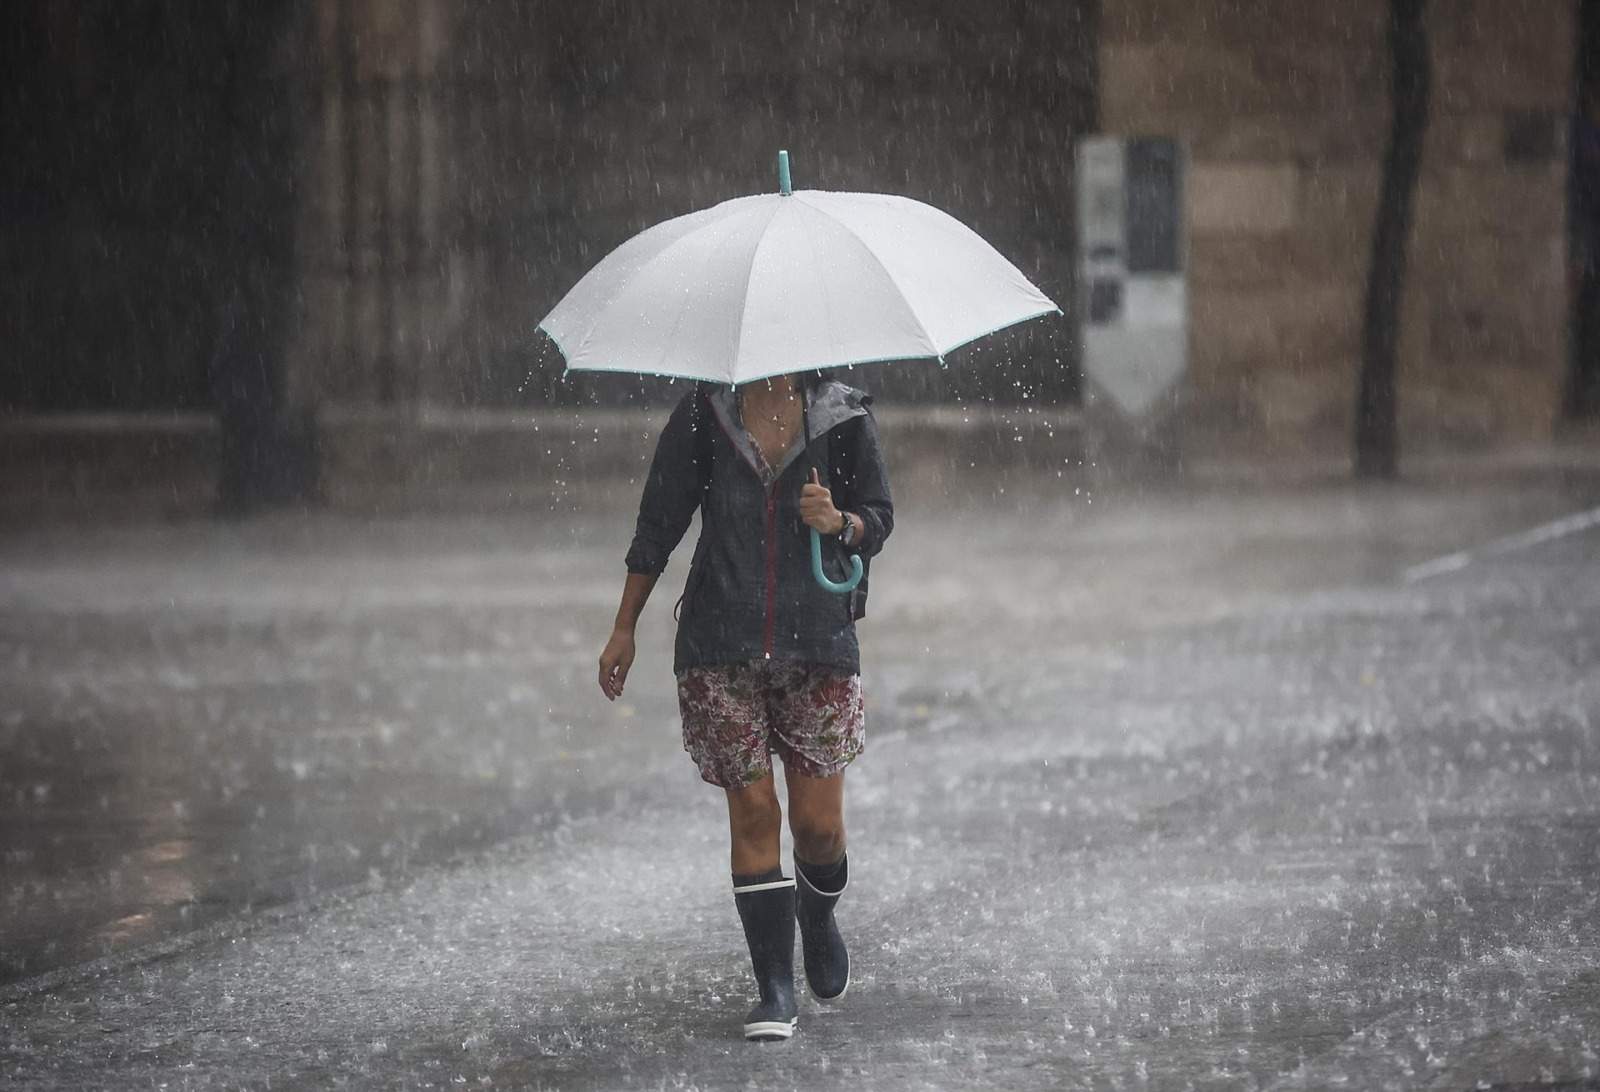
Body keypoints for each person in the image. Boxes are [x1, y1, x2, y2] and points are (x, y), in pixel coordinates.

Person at [597, 370, 893, 1041]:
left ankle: (815, 921)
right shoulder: (705, 415)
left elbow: (879, 516)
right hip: (719, 640)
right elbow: (659, 521)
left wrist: (841, 521)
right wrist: (625, 626)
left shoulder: (842, 417)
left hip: (816, 639)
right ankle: (774, 988)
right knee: (754, 810)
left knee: (818, 827)